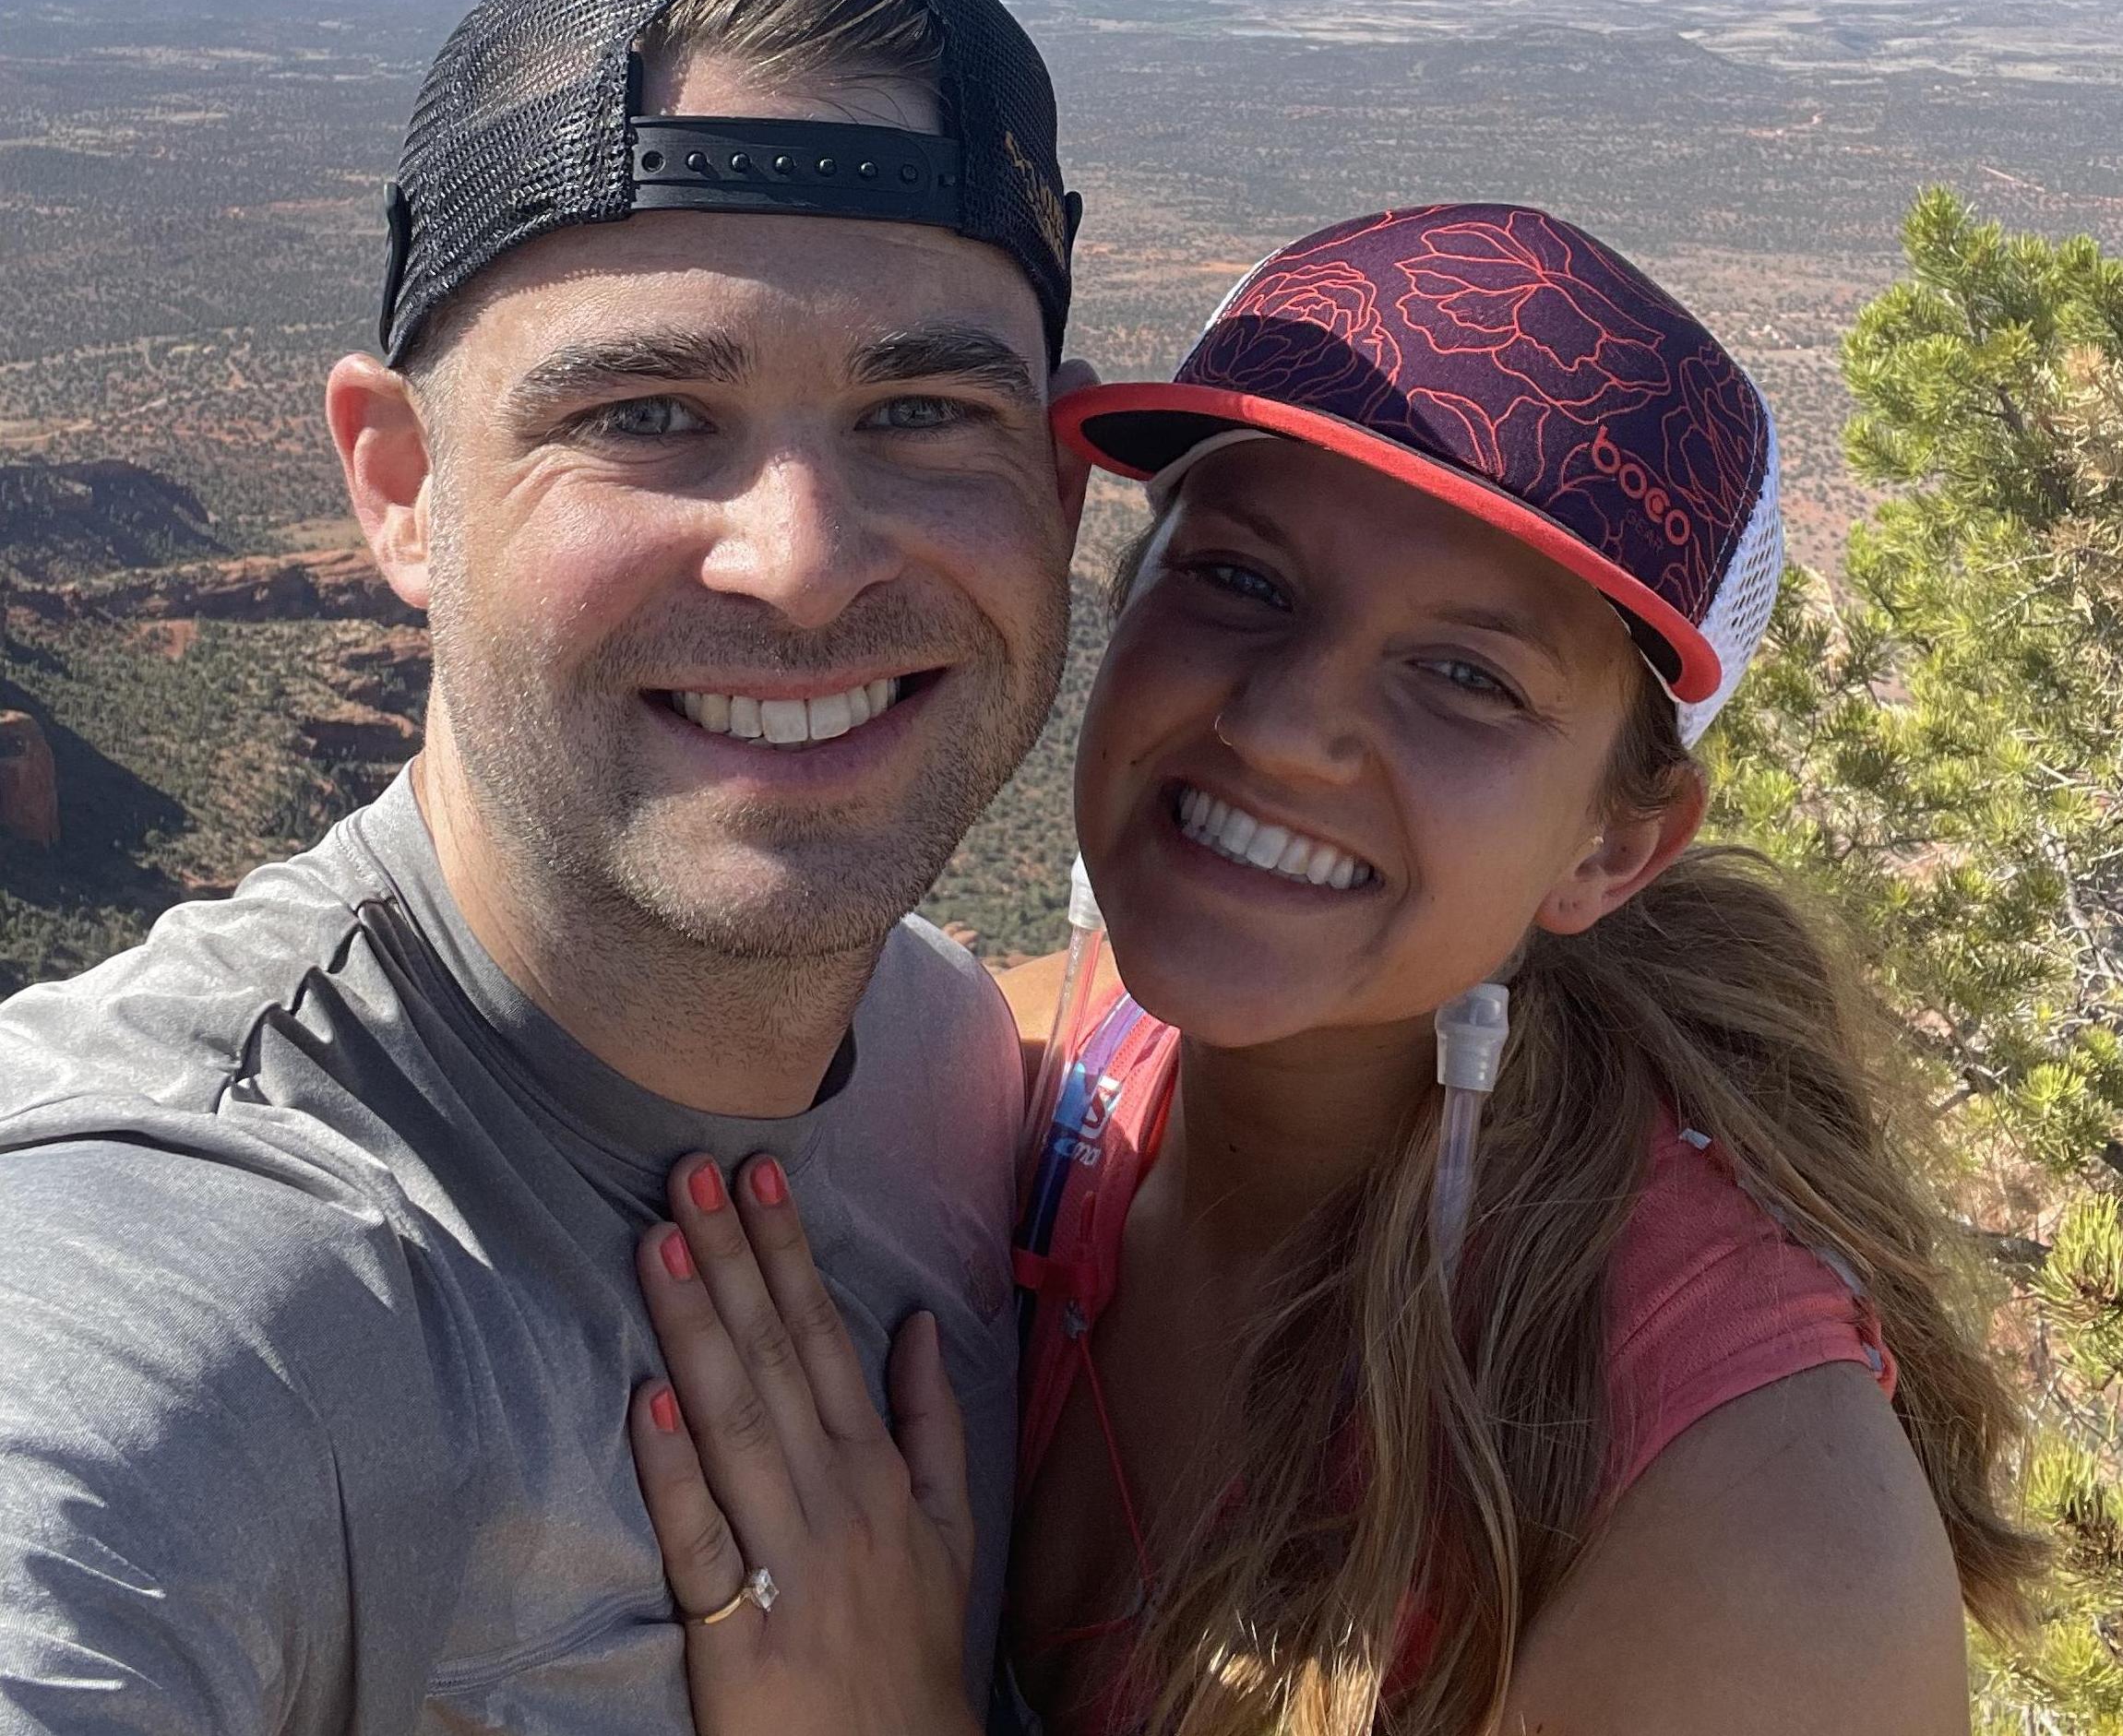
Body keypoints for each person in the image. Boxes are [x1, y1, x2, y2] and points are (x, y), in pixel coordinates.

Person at [624, 205, 2039, 1735]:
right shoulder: (1040, 1073)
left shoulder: (1743, 1516)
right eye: (1241, 578)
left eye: (1464, 676)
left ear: (1612, 848)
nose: (1287, 722)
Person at [0, 0, 1095, 1732]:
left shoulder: (944, 1054)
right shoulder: (183, 1271)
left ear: (1059, 493)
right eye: (652, 411)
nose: (803, 561)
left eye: (921, 411)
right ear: (403, 482)